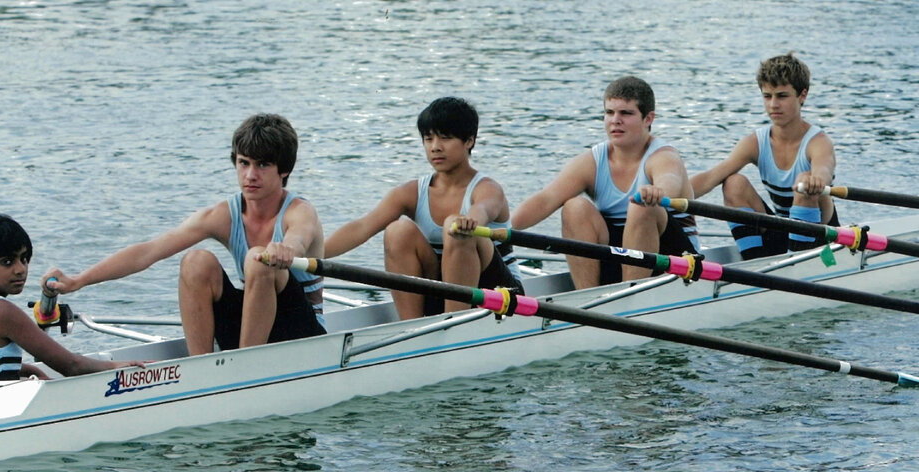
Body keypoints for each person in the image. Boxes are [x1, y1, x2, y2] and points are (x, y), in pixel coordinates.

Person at [41, 113, 326, 355]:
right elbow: (148, 252)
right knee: (195, 261)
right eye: (243, 163)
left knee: (258, 257)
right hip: (255, 329)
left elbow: (298, 239)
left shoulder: (300, 212)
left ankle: (243, 368)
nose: (250, 175)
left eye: (263, 165)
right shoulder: (222, 215)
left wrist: (287, 248)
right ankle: (200, 368)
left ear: (284, 170)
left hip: (302, 332)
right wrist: (79, 280)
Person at [324, 97, 523, 320]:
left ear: (469, 141)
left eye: (445, 138)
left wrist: (471, 220)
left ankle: (455, 326)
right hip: (443, 290)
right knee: (397, 231)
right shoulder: (412, 192)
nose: (435, 147)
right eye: (428, 139)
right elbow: (362, 227)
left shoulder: (488, 188)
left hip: (501, 293)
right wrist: (307, 254)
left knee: (455, 226)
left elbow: (483, 209)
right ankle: (413, 328)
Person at [512, 76, 700, 289]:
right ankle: (589, 296)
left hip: (677, 260)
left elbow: (670, 181)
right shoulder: (593, 161)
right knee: (574, 207)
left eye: (626, 113)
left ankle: (632, 294)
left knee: (642, 205)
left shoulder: (663, 156)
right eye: (609, 112)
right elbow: (546, 199)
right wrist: (499, 228)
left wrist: (658, 192)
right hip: (620, 257)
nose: (615, 120)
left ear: (648, 119)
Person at [0, 214, 145, 381]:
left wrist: (29, 370)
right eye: (8, 262)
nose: (21, 270)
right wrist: (115, 366)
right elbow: (71, 366)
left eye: (24, 259)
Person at [690, 52, 837, 260]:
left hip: (824, 240)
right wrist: (667, 196)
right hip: (783, 230)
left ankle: (798, 263)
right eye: (767, 96)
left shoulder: (818, 142)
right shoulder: (756, 142)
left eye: (782, 96)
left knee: (804, 181)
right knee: (733, 183)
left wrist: (816, 181)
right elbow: (710, 177)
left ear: (802, 96)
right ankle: (754, 263)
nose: (773, 105)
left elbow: (823, 173)